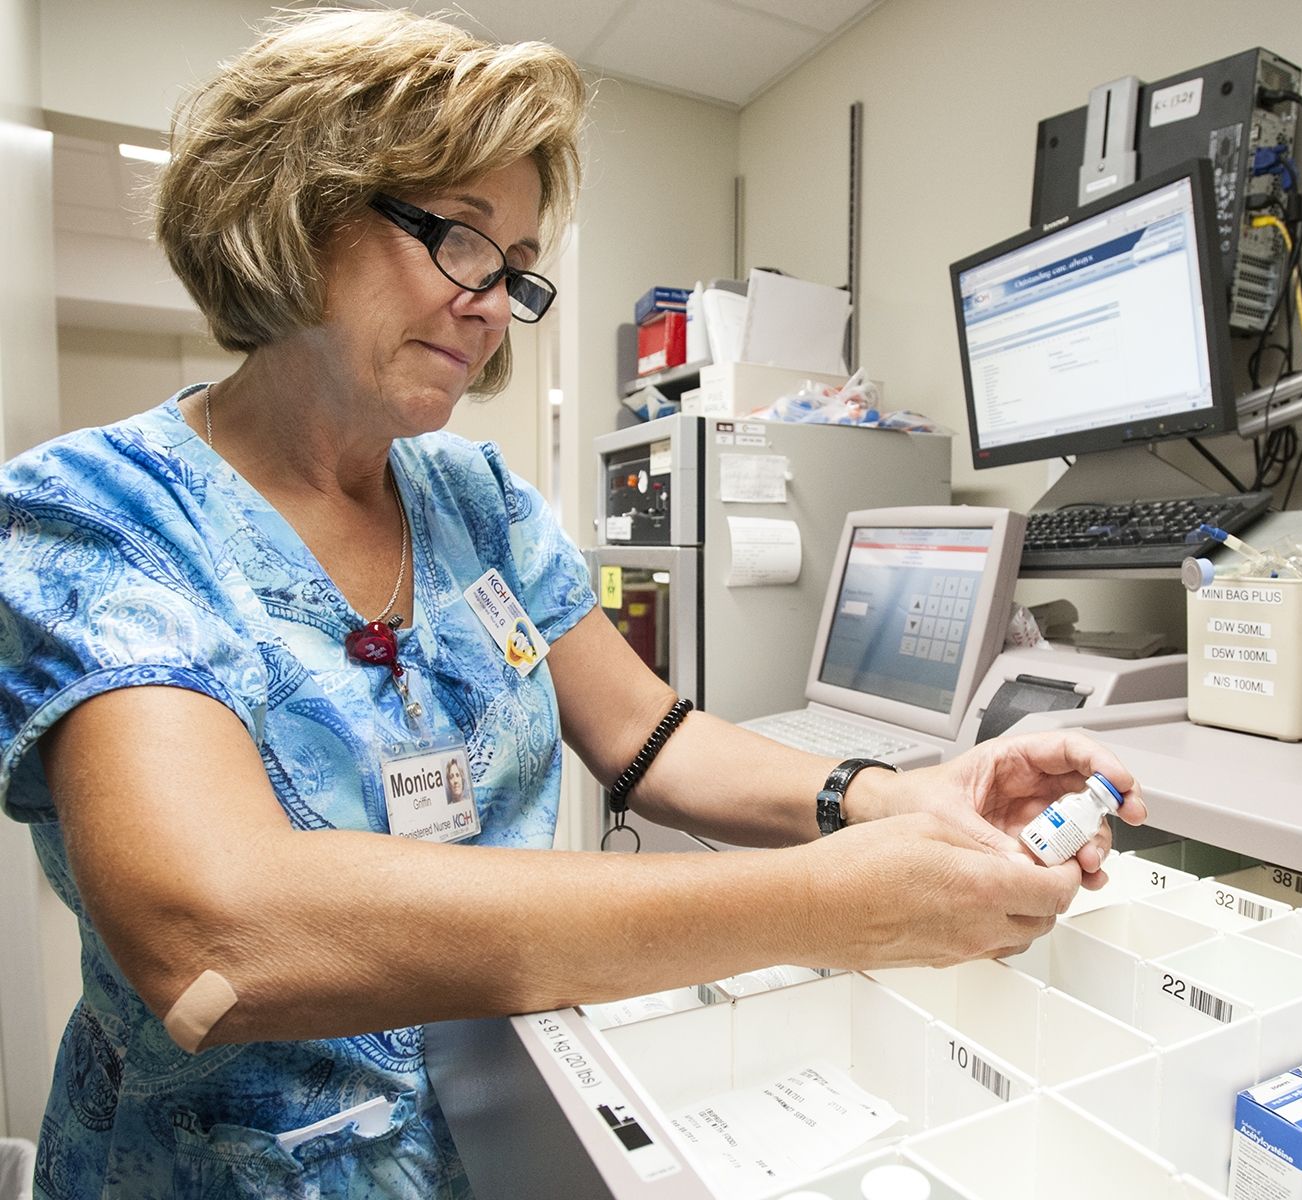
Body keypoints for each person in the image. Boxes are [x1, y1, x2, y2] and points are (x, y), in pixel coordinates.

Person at [0, 10, 1148, 1198]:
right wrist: (823, 906)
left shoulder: (477, 500)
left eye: (516, 270)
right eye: (459, 238)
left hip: (499, 1123)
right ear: (293, 212)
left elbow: (649, 740)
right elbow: (211, 934)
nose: (494, 304)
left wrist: (893, 796)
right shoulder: (100, 514)